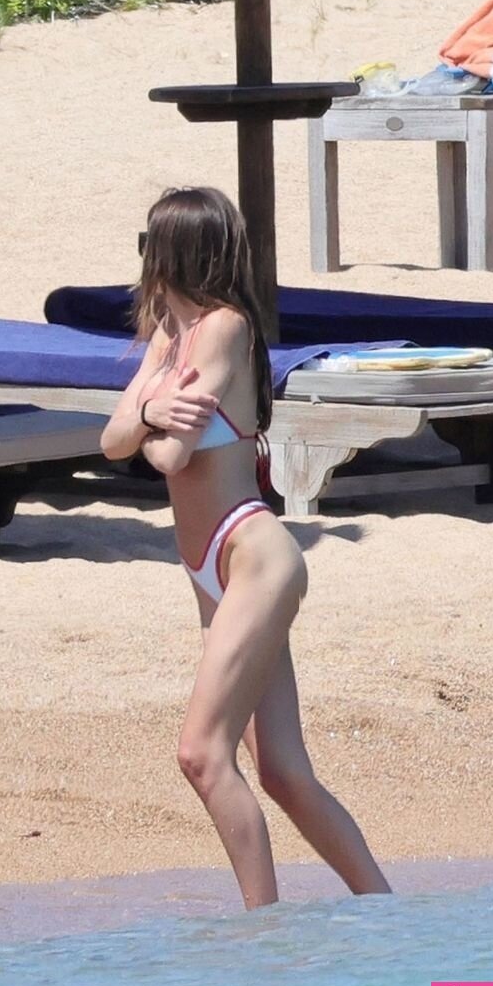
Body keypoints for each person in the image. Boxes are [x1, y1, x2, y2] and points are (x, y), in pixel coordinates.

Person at [99, 186, 390, 909]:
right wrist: (149, 408)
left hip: (251, 553)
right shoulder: (167, 339)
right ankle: (387, 914)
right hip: (215, 570)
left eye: (148, 245)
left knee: (202, 755)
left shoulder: (224, 327)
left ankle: (263, 932)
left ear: (171, 255)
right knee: (283, 773)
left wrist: (149, 420)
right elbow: (112, 442)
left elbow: (167, 456)